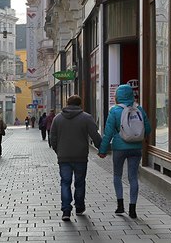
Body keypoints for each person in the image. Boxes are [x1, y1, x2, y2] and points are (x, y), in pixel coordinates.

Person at [98, 84, 151, 219]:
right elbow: (148, 128)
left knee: (117, 175)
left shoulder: (115, 111)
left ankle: (120, 205)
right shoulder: (138, 108)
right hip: (136, 148)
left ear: (118, 96)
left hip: (119, 148)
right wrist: (138, 138)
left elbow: (108, 132)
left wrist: (103, 150)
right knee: (133, 177)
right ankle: (132, 209)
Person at [50, 95, 102, 222]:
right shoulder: (86, 118)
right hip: (80, 156)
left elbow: (53, 138)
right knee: (80, 182)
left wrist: (59, 151)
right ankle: (79, 207)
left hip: (64, 157)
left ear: (67, 103)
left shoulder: (57, 118)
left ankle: (66, 210)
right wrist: (102, 148)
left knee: (65, 182)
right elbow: (95, 135)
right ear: (80, 104)